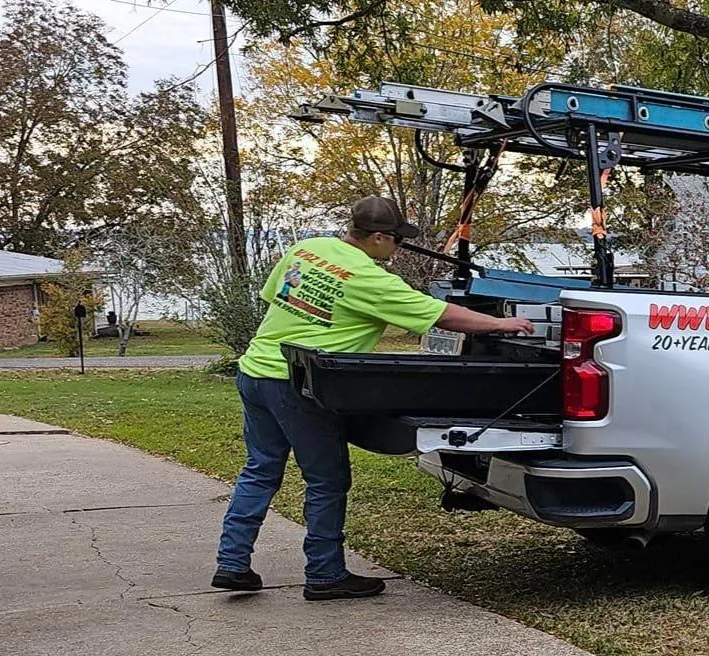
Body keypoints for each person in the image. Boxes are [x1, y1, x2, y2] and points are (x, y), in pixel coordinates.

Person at [212, 196, 533, 601]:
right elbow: (441, 315)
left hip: (255, 371)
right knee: (326, 480)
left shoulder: (306, 249)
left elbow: (277, 297)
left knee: (260, 470)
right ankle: (325, 574)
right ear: (379, 237)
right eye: (397, 239)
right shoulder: (370, 280)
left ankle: (232, 563)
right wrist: (502, 324)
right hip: (299, 384)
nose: (398, 247)